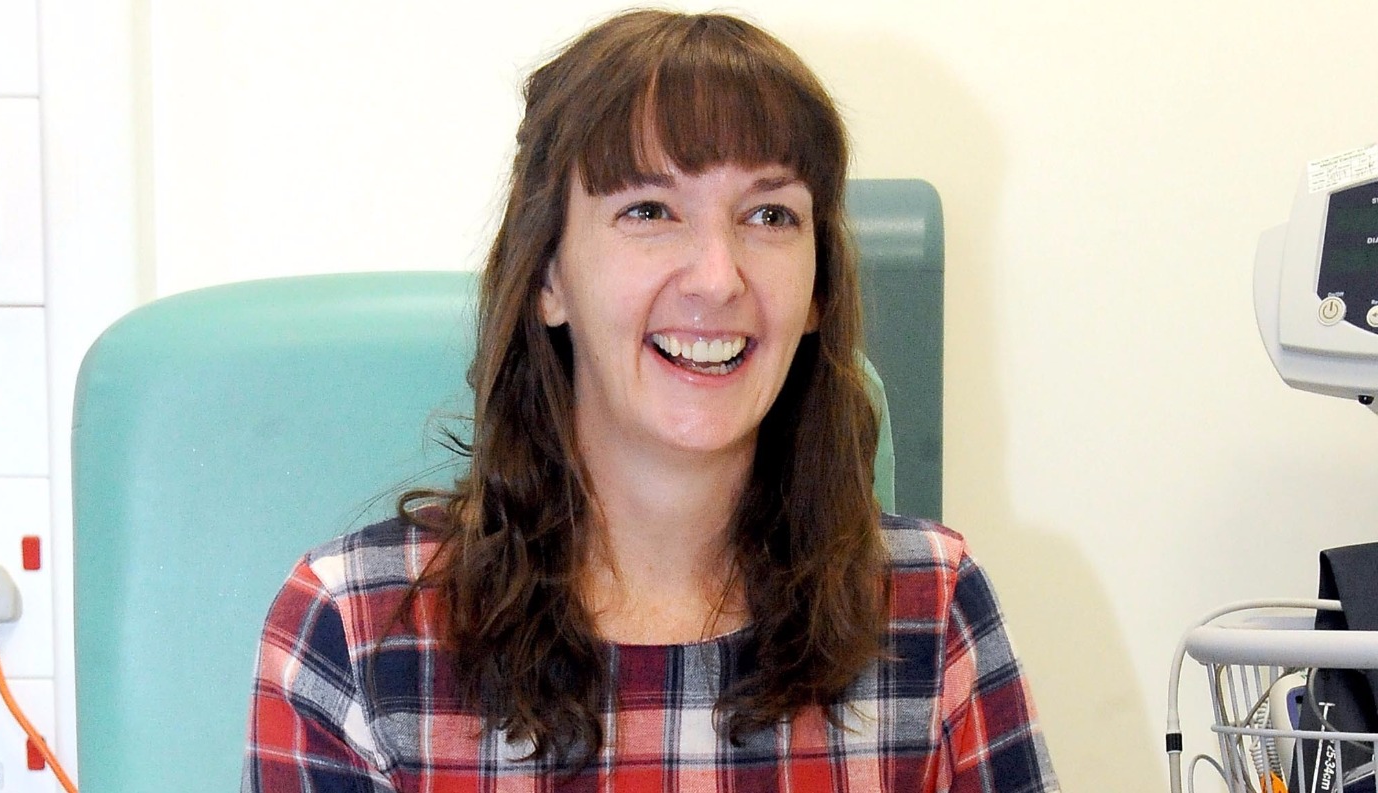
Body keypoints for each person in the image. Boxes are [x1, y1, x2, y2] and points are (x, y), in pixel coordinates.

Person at [243, 9, 1058, 792]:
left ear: (819, 291)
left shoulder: (933, 610)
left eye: (769, 215)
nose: (717, 277)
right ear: (548, 275)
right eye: (649, 210)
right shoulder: (353, 634)